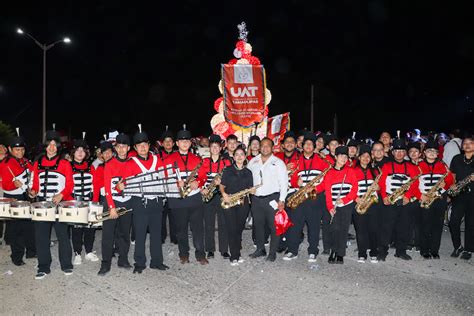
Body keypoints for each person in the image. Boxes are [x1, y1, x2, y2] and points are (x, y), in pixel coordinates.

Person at [118, 125, 169, 273]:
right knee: (139, 235)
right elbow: (123, 183)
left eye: (145, 144)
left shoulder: (157, 159)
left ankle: (157, 261)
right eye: (139, 145)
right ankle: (139, 263)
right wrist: (119, 187)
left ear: (149, 145)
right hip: (140, 203)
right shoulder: (130, 163)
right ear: (135, 147)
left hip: (157, 202)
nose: (142, 147)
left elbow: (164, 177)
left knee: (156, 234)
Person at [30, 129, 74, 280]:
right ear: (46, 145)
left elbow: (70, 185)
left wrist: (61, 194)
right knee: (41, 236)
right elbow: (35, 184)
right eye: (50, 144)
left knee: (63, 235)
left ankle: (66, 264)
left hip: (59, 204)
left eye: (55, 145)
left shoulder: (64, 163)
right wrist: (33, 191)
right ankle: (43, 266)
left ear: (58, 147)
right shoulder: (37, 163)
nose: (52, 147)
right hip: (42, 204)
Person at [165, 125, 208, 265]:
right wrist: (175, 184)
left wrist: (198, 183)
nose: (184, 143)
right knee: (181, 229)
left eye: (187, 141)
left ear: (190, 143)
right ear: (177, 143)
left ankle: (200, 254)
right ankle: (183, 254)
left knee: (198, 229)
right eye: (181, 141)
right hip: (177, 200)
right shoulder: (168, 159)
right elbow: (164, 179)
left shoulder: (197, 159)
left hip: (194, 198)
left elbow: (203, 176)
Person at [284, 132, 330, 262]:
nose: (309, 146)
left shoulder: (322, 161)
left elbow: (327, 179)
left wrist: (316, 189)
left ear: (314, 147)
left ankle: (313, 251)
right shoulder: (297, 161)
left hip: (315, 198)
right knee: (295, 226)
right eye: (306, 144)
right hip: (300, 196)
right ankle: (293, 250)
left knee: (314, 226)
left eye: (311, 144)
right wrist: (295, 182)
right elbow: (291, 177)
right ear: (302, 146)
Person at [377, 137, 421, 261]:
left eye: (402, 151)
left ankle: (400, 251)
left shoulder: (411, 167)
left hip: (404, 201)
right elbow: (381, 183)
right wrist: (384, 197)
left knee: (404, 227)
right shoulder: (386, 166)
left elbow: (415, 184)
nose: (399, 153)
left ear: (405, 153)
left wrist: (407, 197)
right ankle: (383, 251)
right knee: (386, 227)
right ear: (392, 152)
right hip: (390, 200)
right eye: (396, 151)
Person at [247, 137, 288, 262]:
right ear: (259, 147)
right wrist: (249, 189)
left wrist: (282, 200)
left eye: (268, 145)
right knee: (258, 225)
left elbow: (284, 182)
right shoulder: (253, 162)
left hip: (273, 199)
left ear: (272, 147)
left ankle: (272, 252)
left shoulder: (278, 162)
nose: (265, 148)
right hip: (256, 199)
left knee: (274, 226)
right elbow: (247, 179)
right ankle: (260, 249)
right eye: (262, 145)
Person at [98, 134, 132, 276]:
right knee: (108, 235)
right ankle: (105, 263)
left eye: (124, 146)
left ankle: (123, 259)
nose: (122, 149)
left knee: (125, 233)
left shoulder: (132, 163)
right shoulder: (110, 164)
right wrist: (111, 208)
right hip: (112, 202)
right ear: (116, 148)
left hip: (127, 202)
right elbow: (107, 187)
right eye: (119, 147)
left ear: (128, 148)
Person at [0, 130, 36, 265]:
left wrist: (33, 190)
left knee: (29, 225)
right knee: (16, 228)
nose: (20, 152)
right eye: (17, 150)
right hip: (12, 197)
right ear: (10, 149)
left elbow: (33, 177)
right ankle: (17, 256)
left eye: (22, 149)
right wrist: (12, 184)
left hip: (25, 196)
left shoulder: (26, 161)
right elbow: (4, 185)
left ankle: (32, 252)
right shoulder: (5, 163)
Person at [417, 139, 454, 259]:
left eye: (434, 151)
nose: (432, 153)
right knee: (425, 225)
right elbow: (413, 183)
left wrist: (445, 184)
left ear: (438, 154)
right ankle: (424, 249)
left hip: (440, 198)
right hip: (425, 198)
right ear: (424, 152)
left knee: (437, 225)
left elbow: (450, 181)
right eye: (429, 150)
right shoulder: (419, 166)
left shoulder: (443, 165)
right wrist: (420, 195)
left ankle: (434, 250)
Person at [219, 146, 254, 266]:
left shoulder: (249, 172)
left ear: (245, 157)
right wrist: (223, 194)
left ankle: (236, 252)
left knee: (239, 229)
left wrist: (252, 191)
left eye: (242, 154)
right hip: (230, 201)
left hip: (243, 203)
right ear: (233, 157)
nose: (239, 157)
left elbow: (250, 189)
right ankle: (234, 256)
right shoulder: (228, 170)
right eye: (237, 155)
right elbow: (222, 185)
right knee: (232, 229)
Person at [199, 134, 231, 259]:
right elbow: (200, 178)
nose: (215, 149)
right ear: (209, 148)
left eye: (217, 147)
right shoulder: (204, 161)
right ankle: (210, 249)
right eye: (212, 146)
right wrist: (203, 188)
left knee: (224, 223)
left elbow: (230, 179)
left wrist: (222, 183)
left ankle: (224, 250)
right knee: (209, 223)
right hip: (209, 194)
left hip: (221, 195)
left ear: (220, 148)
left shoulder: (226, 162)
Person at [324, 146, 358, 264]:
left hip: (347, 204)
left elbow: (355, 189)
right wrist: (329, 207)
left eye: (346, 156)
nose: (344, 158)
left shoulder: (351, 171)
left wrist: (345, 199)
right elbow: (328, 192)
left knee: (343, 229)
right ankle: (333, 250)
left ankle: (340, 253)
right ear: (335, 157)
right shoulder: (329, 173)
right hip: (334, 205)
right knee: (334, 228)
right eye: (341, 156)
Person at [70, 134, 100, 265]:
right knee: (76, 229)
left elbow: (96, 184)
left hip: (89, 201)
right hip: (75, 201)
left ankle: (88, 251)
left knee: (90, 228)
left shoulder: (90, 166)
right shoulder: (68, 166)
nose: (80, 153)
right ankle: (77, 253)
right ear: (73, 152)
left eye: (83, 150)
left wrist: (95, 203)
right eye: (78, 150)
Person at [274, 131, 300, 253]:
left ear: (295, 144)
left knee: (292, 220)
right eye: (287, 142)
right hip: (279, 192)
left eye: (292, 142)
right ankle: (281, 242)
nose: (289, 144)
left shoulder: (300, 156)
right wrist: (284, 167)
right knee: (279, 218)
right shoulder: (276, 156)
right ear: (283, 145)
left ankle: (291, 243)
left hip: (294, 192)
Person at [353, 144, 379, 263]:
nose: (366, 158)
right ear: (359, 158)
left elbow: (381, 188)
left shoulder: (374, 171)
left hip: (372, 204)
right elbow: (349, 188)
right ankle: (362, 254)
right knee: (361, 230)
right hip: (360, 203)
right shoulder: (353, 171)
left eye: (368, 156)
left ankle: (374, 252)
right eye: (363, 156)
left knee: (374, 229)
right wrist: (356, 198)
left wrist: (378, 188)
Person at [449, 136, 474, 260]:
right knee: (453, 221)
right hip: (459, 194)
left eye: (471, 143)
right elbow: (452, 175)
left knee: (471, 224)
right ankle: (457, 246)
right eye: (465, 143)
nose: (467, 145)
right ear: (461, 146)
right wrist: (452, 184)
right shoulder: (457, 158)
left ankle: (469, 249)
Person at [158, 126, 177, 244]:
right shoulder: (157, 156)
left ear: (174, 143)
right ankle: (161, 236)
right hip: (162, 188)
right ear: (162, 143)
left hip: (174, 187)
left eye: (170, 141)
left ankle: (175, 237)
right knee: (161, 214)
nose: (168, 143)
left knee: (174, 214)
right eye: (166, 141)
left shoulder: (177, 155)